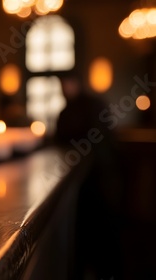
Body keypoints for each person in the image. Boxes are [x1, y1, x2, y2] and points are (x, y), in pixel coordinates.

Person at [54, 73, 124, 279]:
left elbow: (100, 138)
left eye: (67, 83)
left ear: (76, 82)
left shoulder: (92, 105)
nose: (64, 89)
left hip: (101, 177)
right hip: (87, 180)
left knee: (105, 231)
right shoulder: (68, 110)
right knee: (88, 232)